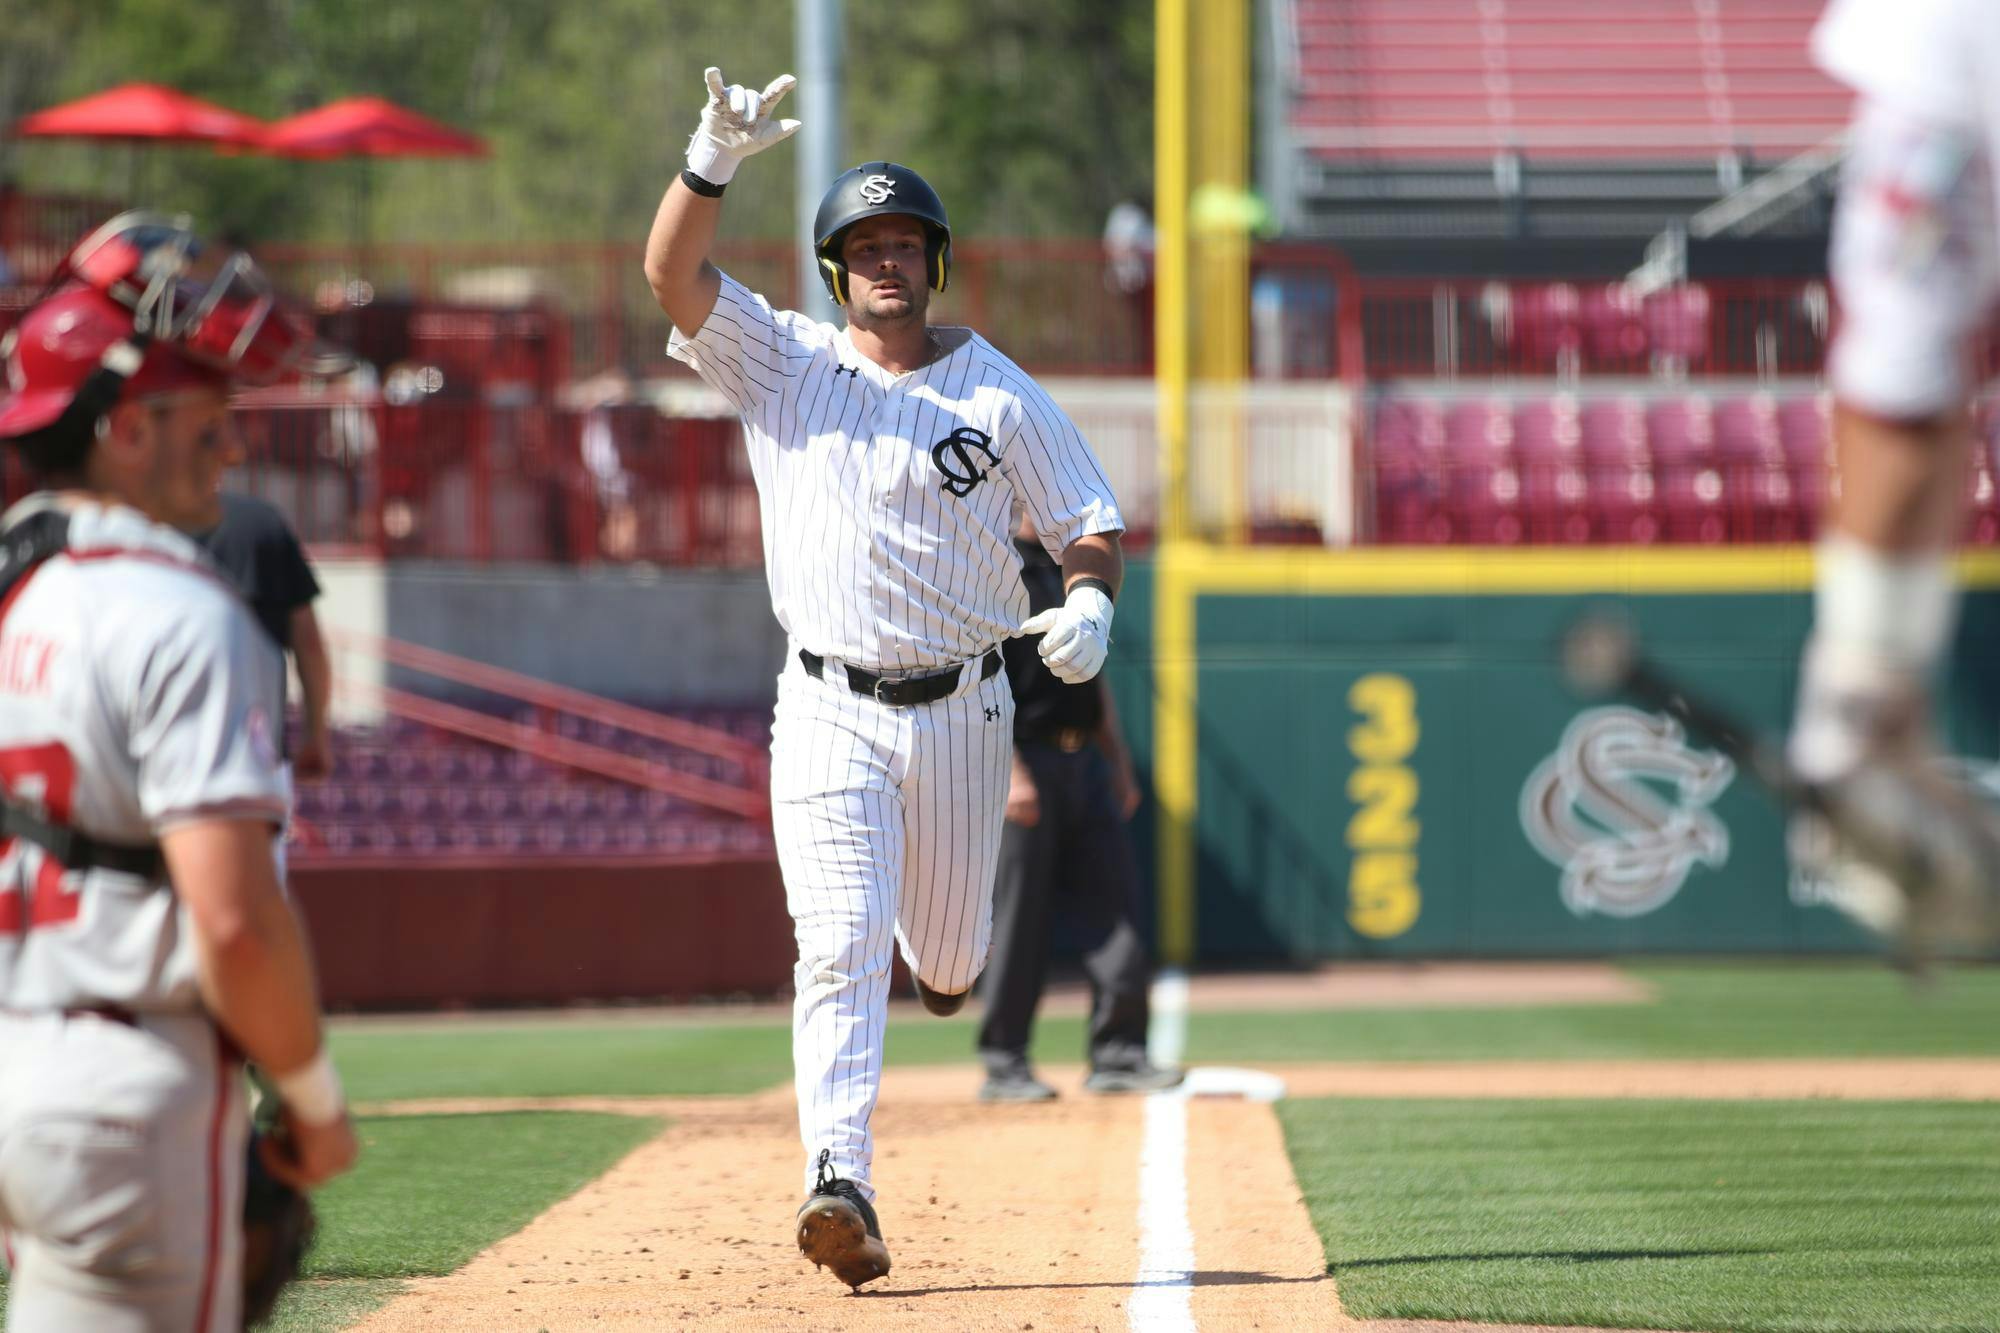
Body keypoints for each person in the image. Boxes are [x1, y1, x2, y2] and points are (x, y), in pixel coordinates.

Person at [643, 68, 1125, 1291]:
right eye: (862, 248)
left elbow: (1087, 520)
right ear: (834, 270)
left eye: (904, 243)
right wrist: (710, 160)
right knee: (839, 942)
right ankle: (836, 1177)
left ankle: (947, 972)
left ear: (937, 261)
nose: (884, 265)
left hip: (963, 706)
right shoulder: (784, 364)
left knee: (947, 966)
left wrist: (1088, 601)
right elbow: (668, 276)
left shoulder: (998, 392)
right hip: (820, 705)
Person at [0, 212, 358, 1330]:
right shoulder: (182, 615)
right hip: (130, 1096)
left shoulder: (19, 593)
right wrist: (310, 1098)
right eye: (207, 419)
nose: (233, 447)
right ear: (126, 428)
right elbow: (238, 922)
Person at [1785, 0, 2000, 946]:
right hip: (1950, 66)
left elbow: (1905, 386)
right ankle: (1865, 713)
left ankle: (1859, 720)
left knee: (1910, 365)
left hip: (1951, 65)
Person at [978, 515, 1182, 1101]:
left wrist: (1116, 759)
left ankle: (1119, 1054)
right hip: (1024, 761)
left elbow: (1094, 678)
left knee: (1114, 904)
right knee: (1020, 917)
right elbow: (979, 677)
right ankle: (1005, 1061)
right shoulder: (990, 566)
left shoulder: (1074, 568)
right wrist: (1009, 769)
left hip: (1082, 760)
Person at [200, 491, 334, 784]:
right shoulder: (261, 523)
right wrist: (315, 735)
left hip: (159, 770)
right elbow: (308, 643)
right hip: (255, 767)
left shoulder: (140, 524)